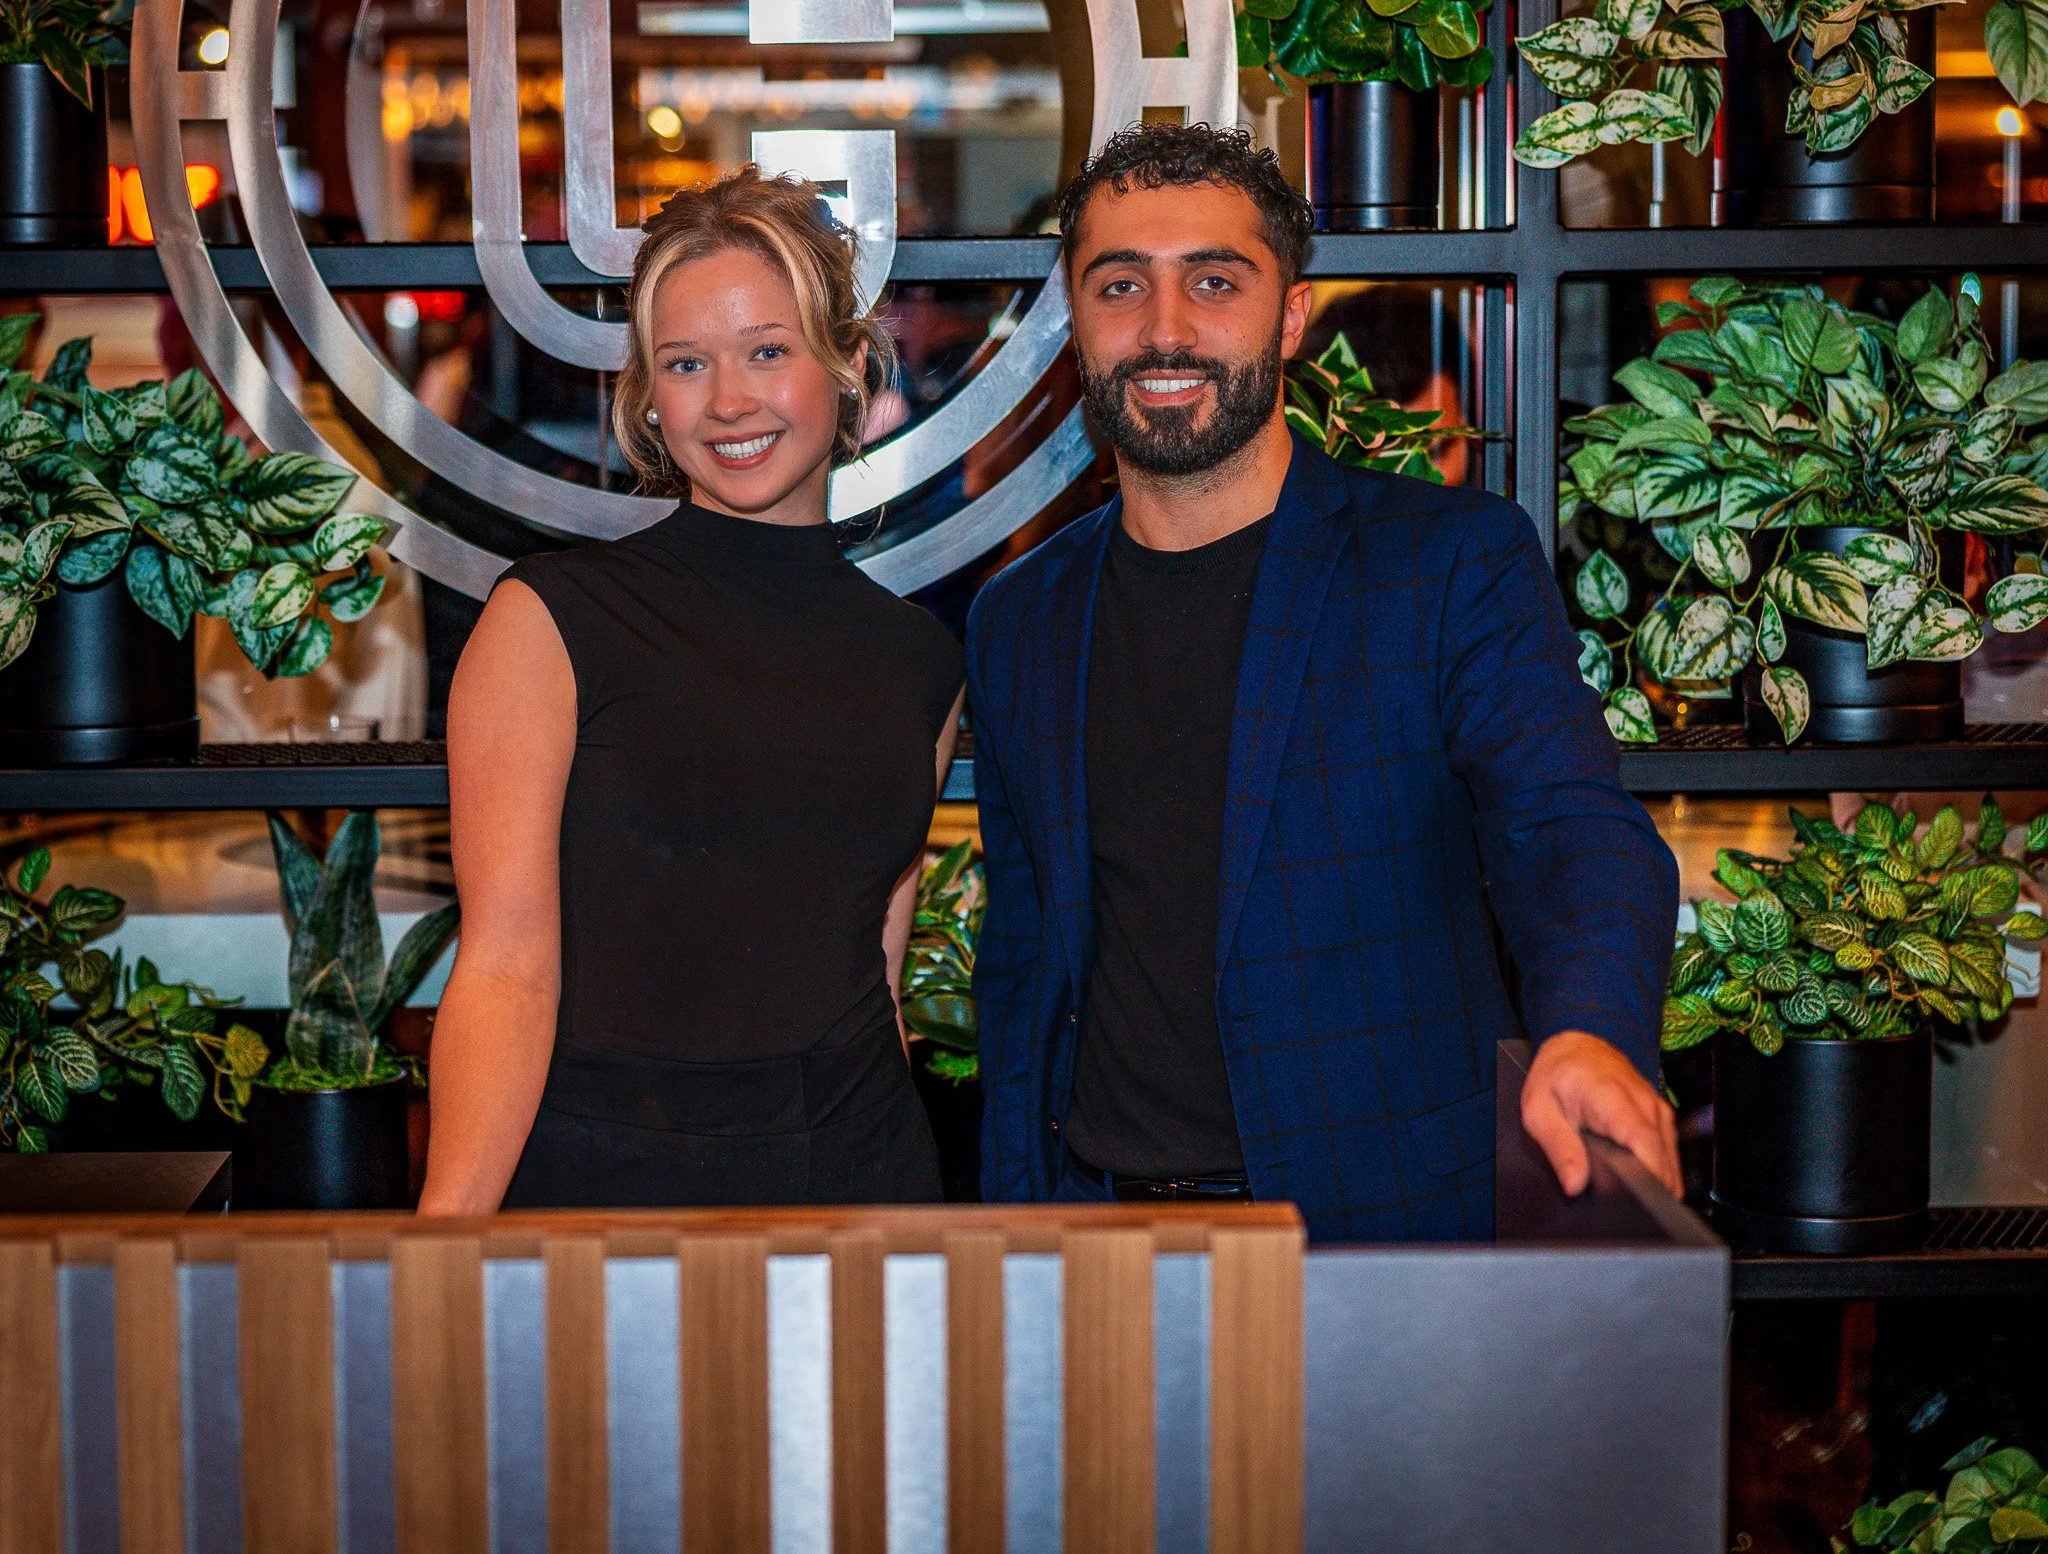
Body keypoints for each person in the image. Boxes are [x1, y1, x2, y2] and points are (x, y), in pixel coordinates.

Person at [964, 122, 1681, 1241]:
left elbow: (1569, 829)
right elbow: (1022, 970)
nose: (1164, 329)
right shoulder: (1020, 617)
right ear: (1073, 316)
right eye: (1119, 284)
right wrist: (1015, 1229)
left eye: (1213, 281)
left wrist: (1586, 1031)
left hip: (1378, 1236)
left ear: (1289, 315)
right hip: (1096, 1241)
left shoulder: (1447, 564)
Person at [418, 170, 963, 1212]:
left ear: (846, 365)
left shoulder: (916, 661)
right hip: (600, 1180)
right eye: (685, 363)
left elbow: (874, 974)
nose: (728, 401)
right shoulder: (548, 622)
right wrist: (444, 1249)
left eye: (767, 350)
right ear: (648, 401)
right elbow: (503, 972)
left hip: (858, 1177)